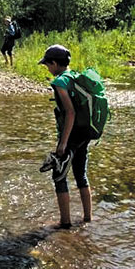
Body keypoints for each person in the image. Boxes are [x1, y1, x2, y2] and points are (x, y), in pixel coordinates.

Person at [39, 45, 94, 229]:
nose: (47, 67)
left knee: (59, 176)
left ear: (54, 63)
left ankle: (65, 223)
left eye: (47, 64)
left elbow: (70, 113)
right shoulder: (75, 75)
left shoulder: (60, 82)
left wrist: (63, 143)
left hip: (71, 135)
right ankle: (88, 218)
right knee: (81, 175)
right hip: (84, 133)